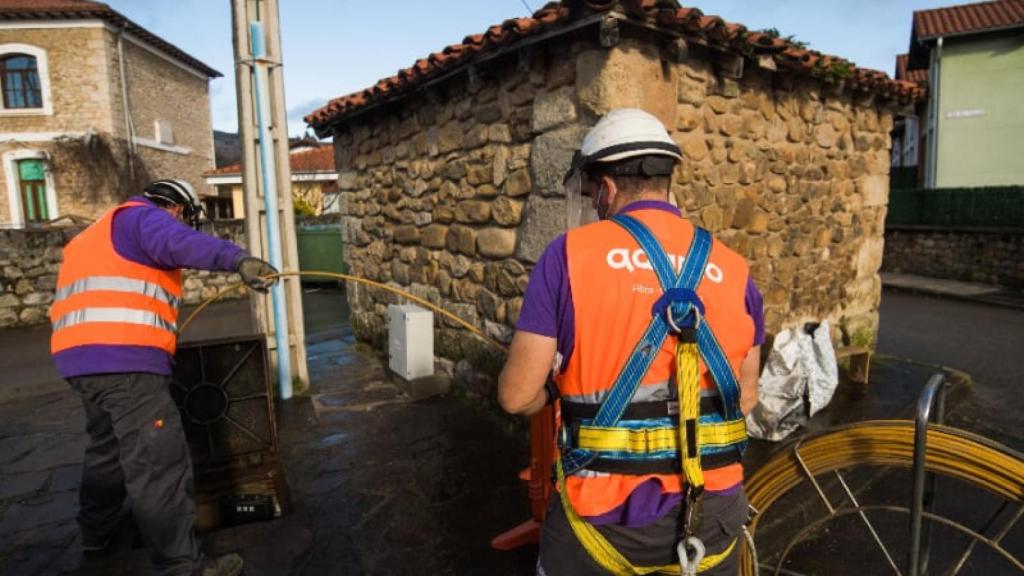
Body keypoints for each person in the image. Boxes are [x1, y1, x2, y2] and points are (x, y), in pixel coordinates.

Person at [498, 109, 765, 575]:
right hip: (713, 519)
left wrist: (557, 390)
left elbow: (517, 395)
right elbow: (745, 398)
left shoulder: (568, 256)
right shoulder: (736, 269)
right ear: (666, 180)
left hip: (602, 528)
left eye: (592, 195)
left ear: (606, 188)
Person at [50, 179, 278, 576]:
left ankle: (97, 533)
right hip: (126, 363)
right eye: (185, 217)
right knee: (157, 463)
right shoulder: (145, 218)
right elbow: (181, 244)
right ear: (176, 208)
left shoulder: (94, 233)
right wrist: (238, 260)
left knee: (106, 451)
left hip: (79, 361)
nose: (183, 224)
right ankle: (179, 566)